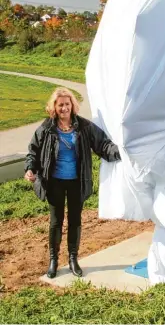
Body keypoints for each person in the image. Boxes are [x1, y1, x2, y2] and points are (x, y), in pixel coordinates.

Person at [24, 87, 121, 279]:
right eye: (60, 105)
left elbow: (102, 144)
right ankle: (53, 260)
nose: (64, 108)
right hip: (54, 182)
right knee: (56, 222)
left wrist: (121, 152)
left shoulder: (84, 127)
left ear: (72, 105)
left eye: (67, 104)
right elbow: (33, 151)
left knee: (75, 221)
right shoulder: (47, 128)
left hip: (77, 181)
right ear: (54, 107)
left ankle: (73, 259)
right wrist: (30, 168)